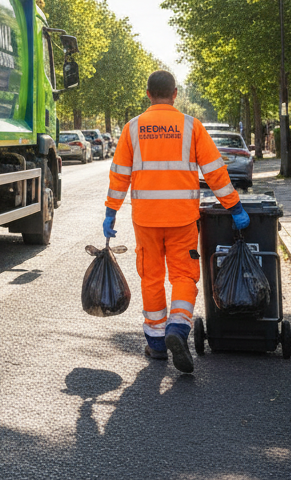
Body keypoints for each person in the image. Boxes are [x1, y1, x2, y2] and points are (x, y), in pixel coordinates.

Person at [104, 70, 249, 373]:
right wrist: (234, 206)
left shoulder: (132, 128)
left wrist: (111, 211)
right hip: (182, 217)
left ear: (148, 94)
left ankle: (156, 344)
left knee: (151, 277)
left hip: (146, 218)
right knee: (184, 275)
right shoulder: (191, 126)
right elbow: (214, 172)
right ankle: (178, 329)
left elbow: (119, 175)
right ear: (175, 94)